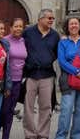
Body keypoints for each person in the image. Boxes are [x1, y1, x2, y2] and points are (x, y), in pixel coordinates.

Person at [22, 9, 60, 139]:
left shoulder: (55, 35)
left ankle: (43, 134)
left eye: (52, 18)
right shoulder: (28, 32)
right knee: (28, 107)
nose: (51, 20)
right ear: (40, 19)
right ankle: (30, 134)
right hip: (30, 75)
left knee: (46, 106)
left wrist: (47, 59)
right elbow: (17, 44)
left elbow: (57, 52)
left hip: (47, 75)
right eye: (49, 18)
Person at [55, 16, 80, 139]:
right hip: (68, 79)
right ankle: (61, 136)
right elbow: (61, 60)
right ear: (67, 27)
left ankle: (77, 135)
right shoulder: (63, 42)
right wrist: (75, 71)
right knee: (66, 110)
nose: (73, 26)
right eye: (71, 24)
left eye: (76, 23)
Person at [1, 18, 27, 139]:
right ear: (11, 28)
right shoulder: (4, 40)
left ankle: (6, 136)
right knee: (3, 110)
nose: (18, 29)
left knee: (11, 110)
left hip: (18, 82)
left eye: (20, 26)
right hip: (6, 81)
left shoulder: (23, 41)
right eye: (16, 26)